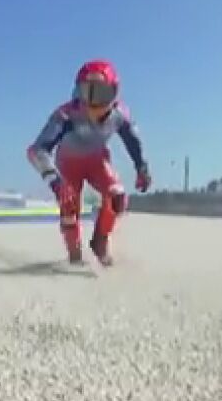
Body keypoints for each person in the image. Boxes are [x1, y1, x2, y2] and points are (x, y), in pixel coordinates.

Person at [26, 59, 151, 265]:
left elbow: (133, 141)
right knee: (68, 205)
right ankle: (74, 255)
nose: (94, 103)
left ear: (114, 93)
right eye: (87, 93)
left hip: (97, 161)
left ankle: (100, 240)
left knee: (118, 198)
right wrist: (55, 181)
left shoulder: (120, 114)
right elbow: (37, 150)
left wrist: (142, 167)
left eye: (101, 94)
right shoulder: (66, 115)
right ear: (77, 92)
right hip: (68, 164)